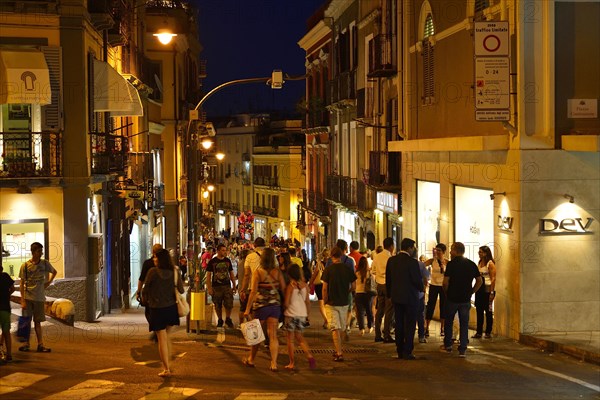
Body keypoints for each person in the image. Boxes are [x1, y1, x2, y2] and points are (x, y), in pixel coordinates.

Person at [142, 248, 184, 377]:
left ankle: (166, 368)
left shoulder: (153, 272)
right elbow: (181, 290)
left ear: (161, 259)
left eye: (156, 257)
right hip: (171, 309)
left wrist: (146, 299)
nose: (154, 259)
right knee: (165, 337)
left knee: (162, 339)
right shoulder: (175, 271)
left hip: (157, 309)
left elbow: (145, 289)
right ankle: (168, 360)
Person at [243, 247, 286, 371]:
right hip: (274, 306)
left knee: (257, 335)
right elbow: (283, 288)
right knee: (273, 335)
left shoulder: (258, 272)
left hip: (261, 306)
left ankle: (251, 359)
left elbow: (253, 292)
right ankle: (274, 364)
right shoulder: (277, 272)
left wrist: (247, 308)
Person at [441, 242, 483, 357]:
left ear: (455, 250)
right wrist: (472, 291)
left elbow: (445, 282)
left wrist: (446, 292)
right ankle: (462, 348)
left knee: (448, 321)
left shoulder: (451, 265)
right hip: (465, 299)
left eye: (451, 249)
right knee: (464, 323)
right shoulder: (471, 264)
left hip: (452, 298)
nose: (450, 252)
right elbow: (479, 281)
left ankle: (448, 345)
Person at [386, 238, 424, 360]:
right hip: (411, 298)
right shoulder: (412, 262)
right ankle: (407, 350)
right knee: (410, 324)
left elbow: (388, 280)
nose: (415, 249)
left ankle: (399, 349)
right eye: (414, 247)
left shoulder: (392, 261)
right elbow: (417, 280)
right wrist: (421, 288)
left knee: (399, 323)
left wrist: (389, 295)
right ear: (409, 248)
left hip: (397, 297)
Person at [18, 242, 56, 353]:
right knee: (26, 321)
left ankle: (40, 344)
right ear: (33, 252)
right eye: (39, 251)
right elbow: (21, 283)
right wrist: (22, 300)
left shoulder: (45, 263)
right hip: (28, 297)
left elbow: (54, 272)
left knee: (38, 322)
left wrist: (48, 283)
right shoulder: (25, 266)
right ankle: (26, 344)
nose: (41, 253)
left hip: (39, 297)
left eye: (41, 251)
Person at [322, 246, 356, 362]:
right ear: (341, 256)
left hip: (332, 303)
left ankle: (339, 352)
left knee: (334, 329)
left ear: (332, 256)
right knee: (340, 328)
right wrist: (347, 292)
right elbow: (354, 286)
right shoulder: (347, 269)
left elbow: (325, 288)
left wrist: (325, 300)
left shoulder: (328, 270)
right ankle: (339, 349)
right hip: (344, 302)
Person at [283, 263, 316, 370]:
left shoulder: (290, 286)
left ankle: (292, 362)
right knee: (300, 338)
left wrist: (284, 308)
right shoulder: (305, 286)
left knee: (290, 340)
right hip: (302, 314)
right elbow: (307, 302)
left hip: (291, 315)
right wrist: (307, 315)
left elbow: (287, 303)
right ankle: (309, 356)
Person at [206, 244, 236, 329]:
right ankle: (219, 319)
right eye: (223, 250)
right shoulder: (212, 262)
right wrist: (209, 288)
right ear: (218, 251)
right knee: (217, 304)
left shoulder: (227, 261)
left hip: (227, 285)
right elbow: (208, 275)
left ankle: (228, 318)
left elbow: (231, 273)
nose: (225, 252)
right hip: (216, 286)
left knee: (229, 303)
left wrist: (234, 285)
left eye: (225, 250)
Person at [372, 237, 395, 343]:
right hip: (388, 285)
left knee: (380, 310)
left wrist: (378, 278)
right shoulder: (390, 257)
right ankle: (386, 334)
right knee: (389, 311)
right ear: (391, 246)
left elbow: (373, 270)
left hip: (379, 285)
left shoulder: (377, 256)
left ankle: (377, 334)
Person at [424, 243, 449, 337]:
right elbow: (422, 266)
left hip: (443, 286)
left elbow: (448, 274)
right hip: (433, 285)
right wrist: (426, 278)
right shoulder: (432, 261)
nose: (437, 252)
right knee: (431, 305)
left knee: (443, 307)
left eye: (439, 250)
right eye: (436, 250)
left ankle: (442, 328)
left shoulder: (447, 262)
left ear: (443, 252)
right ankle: (427, 327)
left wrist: (443, 268)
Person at [473, 245, 497, 339]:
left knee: (488, 311)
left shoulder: (490, 264)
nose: (479, 253)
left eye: (481, 252)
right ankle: (479, 332)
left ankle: (488, 331)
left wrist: (491, 292)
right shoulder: (479, 262)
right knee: (479, 310)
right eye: (479, 252)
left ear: (486, 253)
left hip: (487, 290)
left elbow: (493, 279)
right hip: (480, 289)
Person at [354, 256, 374, 335]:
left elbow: (354, 283)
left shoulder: (356, 273)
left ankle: (361, 328)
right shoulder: (369, 273)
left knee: (360, 312)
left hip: (358, 293)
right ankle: (370, 326)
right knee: (369, 310)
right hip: (368, 293)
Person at [309, 248, 329, 329]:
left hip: (320, 284)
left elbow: (314, 274)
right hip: (328, 284)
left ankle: (327, 320)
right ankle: (327, 321)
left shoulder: (319, 264)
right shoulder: (331, 263)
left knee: (321, 303)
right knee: (327, 304)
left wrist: (310, 283)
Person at [0, 265, 15, 363]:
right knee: (6, 332)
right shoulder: (5, 276)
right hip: (5, 308)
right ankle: (9, 354)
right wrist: (7, 295)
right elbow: (13, 288)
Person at [417, 254, 431, 343]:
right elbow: (427, 278)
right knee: (420, 315)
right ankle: (421, 335)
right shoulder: (421, 265)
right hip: (419, 294)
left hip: (411, 294)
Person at [237, 248, 250, 327]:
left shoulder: (240, 263)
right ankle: (248, 324)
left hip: (241, 287)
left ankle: (241, 324)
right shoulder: (247, 264)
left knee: (242, 307)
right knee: (248, 308)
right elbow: (247, 276)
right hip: (246, 288)